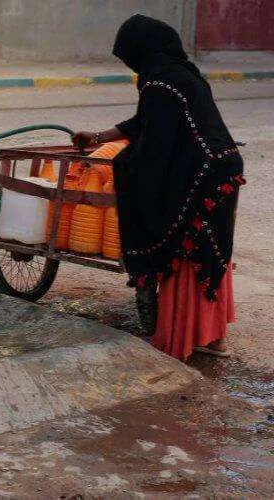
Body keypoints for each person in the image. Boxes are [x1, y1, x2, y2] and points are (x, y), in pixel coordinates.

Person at [73, 15, 244, 361]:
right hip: (223, 167)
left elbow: (155, 148)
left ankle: (179, 338)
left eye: (129, 57)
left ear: (141, 52)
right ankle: (213, 339)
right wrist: (101, 138)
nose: (131, 65)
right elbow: (147, 123)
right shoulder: (182, 75)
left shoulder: (159, 85)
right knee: (210, 250)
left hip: (199, 175)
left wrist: (122, 166)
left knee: (181, 250)